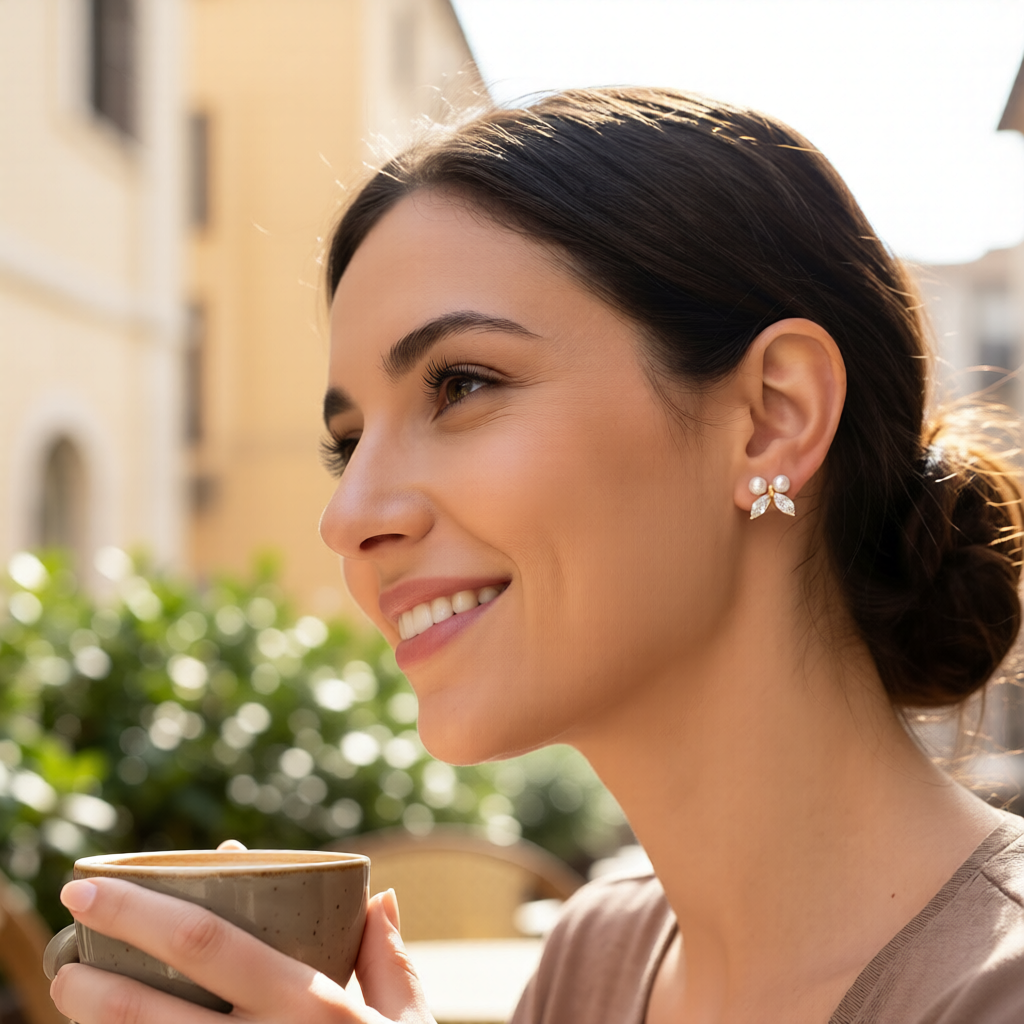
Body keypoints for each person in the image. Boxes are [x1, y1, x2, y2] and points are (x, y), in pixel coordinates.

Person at [50, 87, 1024, 1024]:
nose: (348, 515)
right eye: (348, 443)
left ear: (773, 417)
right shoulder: (594, 955)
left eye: (462, 384)